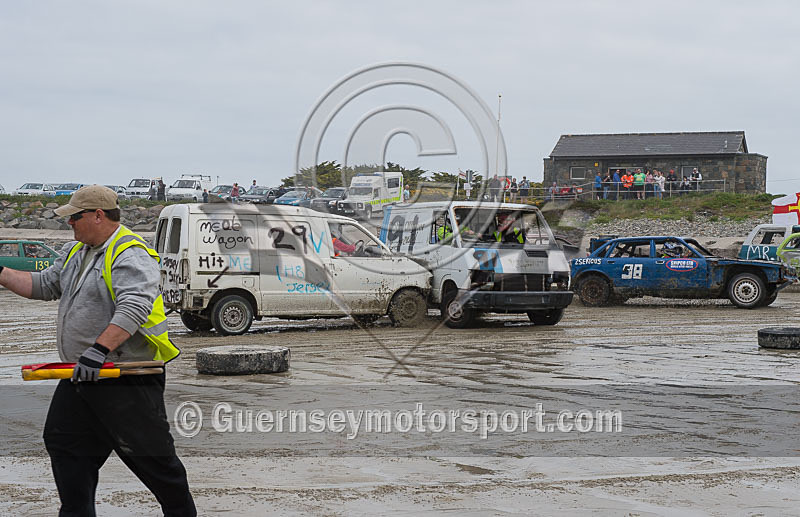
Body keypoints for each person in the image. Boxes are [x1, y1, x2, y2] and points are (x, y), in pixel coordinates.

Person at [0, 185, 196, 516]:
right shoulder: (77, 251)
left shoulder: (130, 253)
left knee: (153, 461)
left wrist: (98, 349)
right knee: (64, 442)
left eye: (74, 217)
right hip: (82, 374)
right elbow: (43, 285)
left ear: (98, 215)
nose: (69, 223)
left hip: (125, 376)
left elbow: (134, 307)